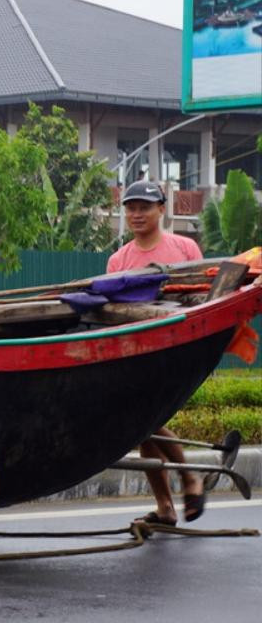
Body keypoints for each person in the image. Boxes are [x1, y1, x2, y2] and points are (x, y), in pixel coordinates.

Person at [107, 180, 205, 525]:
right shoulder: (119, 260)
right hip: (137, 352)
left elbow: (204, 298)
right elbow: (112, 312)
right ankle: (168, 503)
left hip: (177, 350)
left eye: (144, 207)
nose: (136, 214)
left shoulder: (185, 248)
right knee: (143, 426)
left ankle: (189, 479)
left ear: (161, 209)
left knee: (146, 421)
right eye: (131, 208)